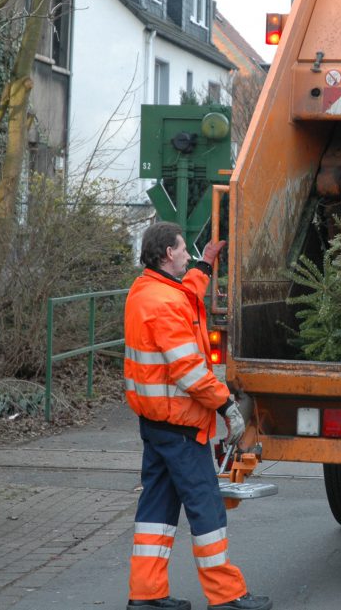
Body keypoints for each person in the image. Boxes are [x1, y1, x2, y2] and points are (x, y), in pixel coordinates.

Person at [123, 221, 272, 610]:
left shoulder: (147, 291)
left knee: (155, 509)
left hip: (156, 425)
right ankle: (226, 595)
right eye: (183, 249)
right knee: (205, 506)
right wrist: (226, 406)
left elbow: (185, 292)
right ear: (168, 253)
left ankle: (146, 594)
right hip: (181, 426)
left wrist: (204, 265)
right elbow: (189, 372)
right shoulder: (165, 304)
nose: (187, 253)